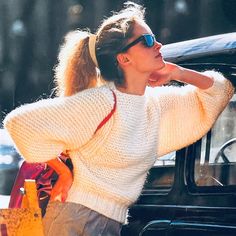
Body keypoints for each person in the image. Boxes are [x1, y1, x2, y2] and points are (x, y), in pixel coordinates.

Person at [3, 2, 234, 236]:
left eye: (154, 38)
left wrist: (179, 73)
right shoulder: (103, 102)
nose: (158, 44)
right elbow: (19, 124)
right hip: (76, 218)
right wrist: (63, 172)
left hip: (111, 222)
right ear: (124, 59)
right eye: (147, 41)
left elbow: (220, 92)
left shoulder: (155, 104)